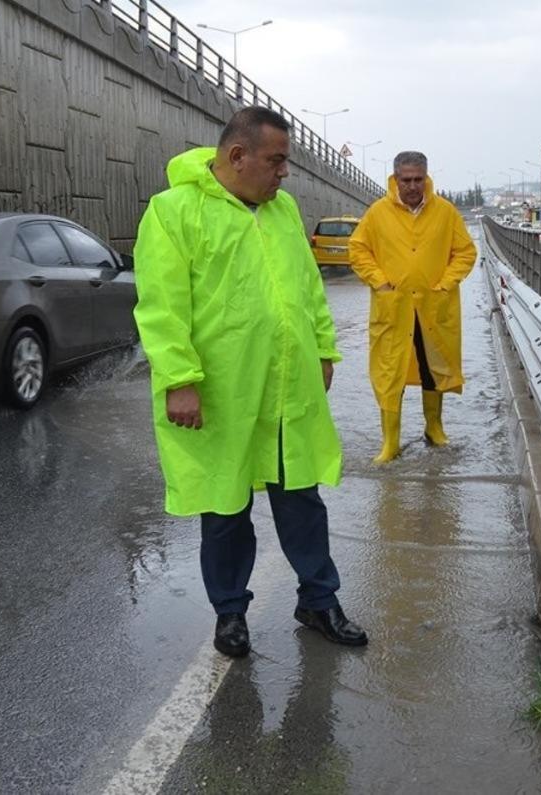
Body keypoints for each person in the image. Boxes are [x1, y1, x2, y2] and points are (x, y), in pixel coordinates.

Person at [132, 107, 367, 658]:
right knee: (225, 505)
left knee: (301, 495)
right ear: (238, 156)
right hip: (222, 391)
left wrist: (324, 350)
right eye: (276, 160)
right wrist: (180, 380)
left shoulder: (283, 211)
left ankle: (319, 599)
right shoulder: (174, 212)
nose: (285, 173)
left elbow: (308, 288)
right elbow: (162, 307)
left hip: (286, 384)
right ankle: (230, 612)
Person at [347, 151, 477, 463]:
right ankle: (390, 441)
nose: (412, 186)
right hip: (394, 309)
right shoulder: (378, 213)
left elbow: (465, 252)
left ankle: (434, 427)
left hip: (433, 307)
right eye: (406, 180)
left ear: (426, 177)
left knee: (434, 367)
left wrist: (445, 283)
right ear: (395, 179)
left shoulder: (445, 212)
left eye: (418, 179)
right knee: (390, 371)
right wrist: (380, 282)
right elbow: (358, 250)